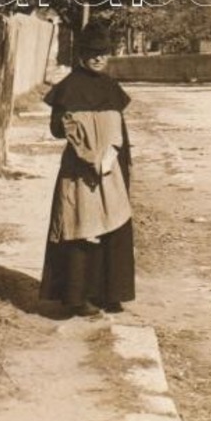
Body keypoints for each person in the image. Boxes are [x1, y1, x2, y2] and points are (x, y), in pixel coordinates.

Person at [39, 21, 135, 318]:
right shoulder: (67, 88)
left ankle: (110, 293)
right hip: (80, 170)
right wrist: (88, 145)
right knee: (81, 227)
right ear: (81, 55)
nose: (98, 58)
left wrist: (113, 158)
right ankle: (77, 298)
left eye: (103, 52)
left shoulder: (111, 87)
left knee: (115, 224)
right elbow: (57, 130)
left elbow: (122, 130)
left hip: (111, 166)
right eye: (92, 53)